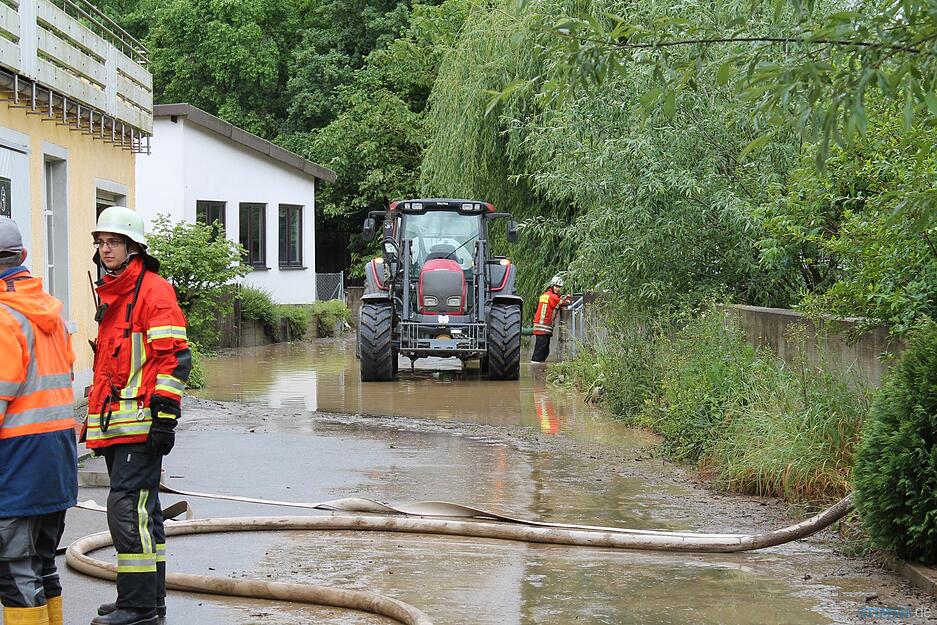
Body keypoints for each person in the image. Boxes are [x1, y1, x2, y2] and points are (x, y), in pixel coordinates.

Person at [83, 207, 191, 625]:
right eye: (101, 242)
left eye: (113, 242)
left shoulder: (153, 292)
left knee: (128, 511)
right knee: (143, 514)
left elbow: (174, 359)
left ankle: (138, 606)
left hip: (142, 426)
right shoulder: (115, 294)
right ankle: (148, 600)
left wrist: (165, 418)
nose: (105, 248)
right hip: (117, 427)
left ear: (133, 248)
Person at [0, 217, 77, 625]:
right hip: (57, 457)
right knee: (43, 564)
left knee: (14, 571)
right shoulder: (50, 313)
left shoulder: (3, 317)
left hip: (17, 460)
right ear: (23, 259)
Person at [530, 275, 571, 364]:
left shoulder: (545, 295)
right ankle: (535, 370)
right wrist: (568, 297)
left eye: (559, 287)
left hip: (541, 325)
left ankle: (538, 367)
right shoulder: (552, 297)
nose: (558, 289)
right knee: (541, 350)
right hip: (543, 326)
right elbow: (564, 303)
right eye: (556, 286)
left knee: (544, 350)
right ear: (552, 286)